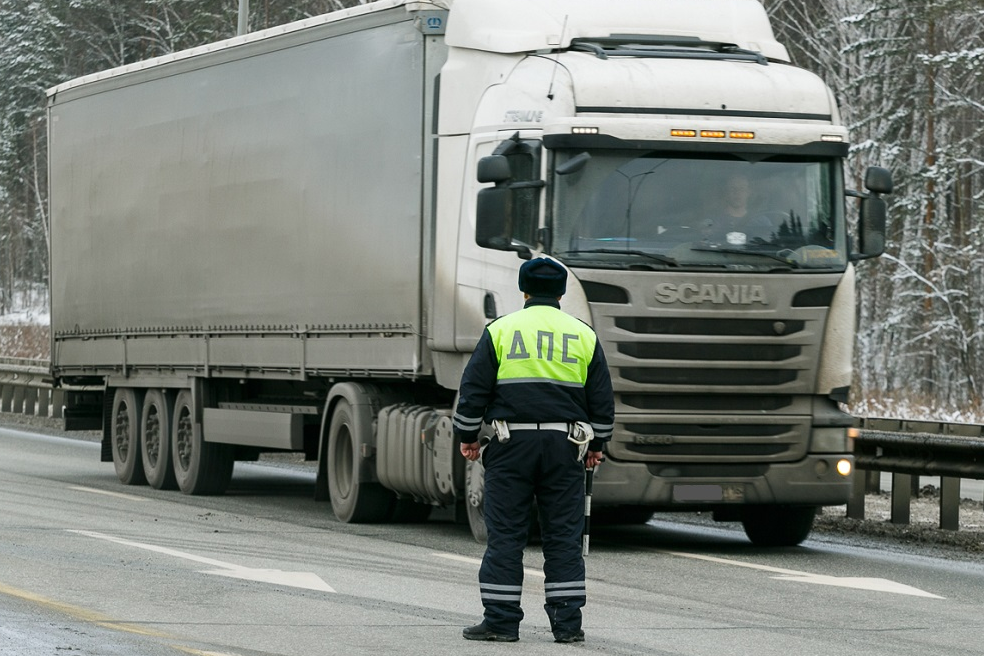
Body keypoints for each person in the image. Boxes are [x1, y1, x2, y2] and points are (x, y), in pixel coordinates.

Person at [454, 257, 614, 644]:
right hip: (565, 447)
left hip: (512, 445)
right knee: (563, 536)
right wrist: (597, 444)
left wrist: (469, 436)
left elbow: (473, 391)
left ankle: (501, 622)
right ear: (561, 293)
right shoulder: (583, 334)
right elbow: (602, 401)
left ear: (524, 291)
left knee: (507, 535)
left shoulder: (500, 331)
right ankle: (567, 626)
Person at [702, 170, 774, 244]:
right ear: (726, 192)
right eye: (732, 188)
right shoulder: (713, 221)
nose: (737, 192)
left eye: (742, 189)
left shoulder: (762, 222)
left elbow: (769, 245)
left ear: (748, 192)